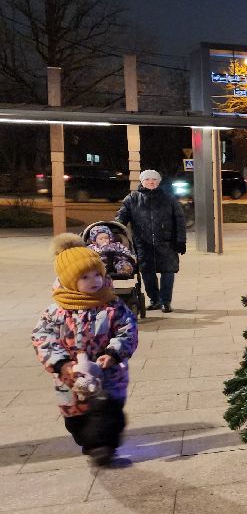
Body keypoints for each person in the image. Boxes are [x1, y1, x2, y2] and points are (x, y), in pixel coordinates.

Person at [31, 234, 140, 466]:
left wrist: (113, 353)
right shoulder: (56, 312)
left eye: (97, 274)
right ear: (69, 280)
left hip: (108, 373)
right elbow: (42, 338)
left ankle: (103, 446)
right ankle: (89, 441)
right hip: (71, 377)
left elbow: (128, 330)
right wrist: (61, 364)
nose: (94, 281)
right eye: (85, 277)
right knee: (76, 418)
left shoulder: (112, 305)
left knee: (108, 411)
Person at [116, 170, 186, 313]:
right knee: (147, 273)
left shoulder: (169, 198)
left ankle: (166, 302)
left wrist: (181, 240)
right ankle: (155, 300)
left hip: (166, 243)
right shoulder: (132, 199)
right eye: (147, 179)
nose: (151, 182)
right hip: (143, 243)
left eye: (154, 179)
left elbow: (179, 220)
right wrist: (114, 229)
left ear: (158, 182)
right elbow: (121, 217)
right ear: (142, 181)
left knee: (168, 271)